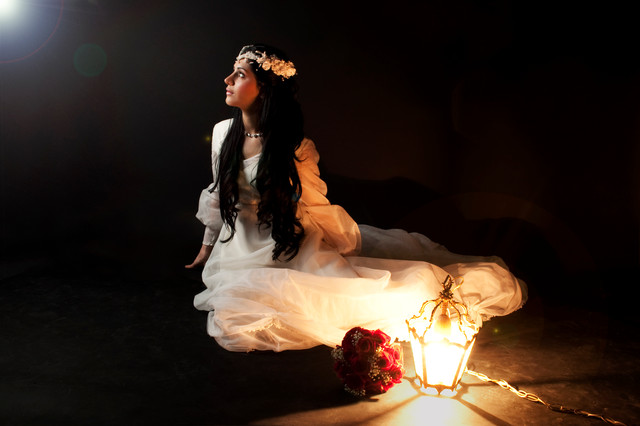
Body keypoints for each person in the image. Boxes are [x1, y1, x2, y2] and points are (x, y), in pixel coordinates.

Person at [187, 44, 526, 352]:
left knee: (348, 297)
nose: (228, 80)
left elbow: (315, 204)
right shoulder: (223, 133)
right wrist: (207, 245)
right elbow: (217, 194)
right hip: (238, 247)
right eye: (233, 72)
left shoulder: (295, 147)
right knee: (234, 312)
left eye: (240, 74)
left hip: (283, 243)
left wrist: (341, 242)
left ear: (264, 89)